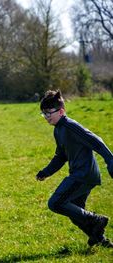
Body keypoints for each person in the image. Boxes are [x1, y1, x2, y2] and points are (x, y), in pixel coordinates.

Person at [36, 90, 113, 248]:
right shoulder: (58, 129)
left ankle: (98, 220)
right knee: (74, 211)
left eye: (49, 113)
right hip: (81, 174)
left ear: (61, 111)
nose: (47, 117)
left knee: (56, 203)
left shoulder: (71, 126)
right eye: (44, 114)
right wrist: (46, 172)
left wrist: (110, 159)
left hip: (83, 175)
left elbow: (96, 141)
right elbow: (61, 156)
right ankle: (100, 239)